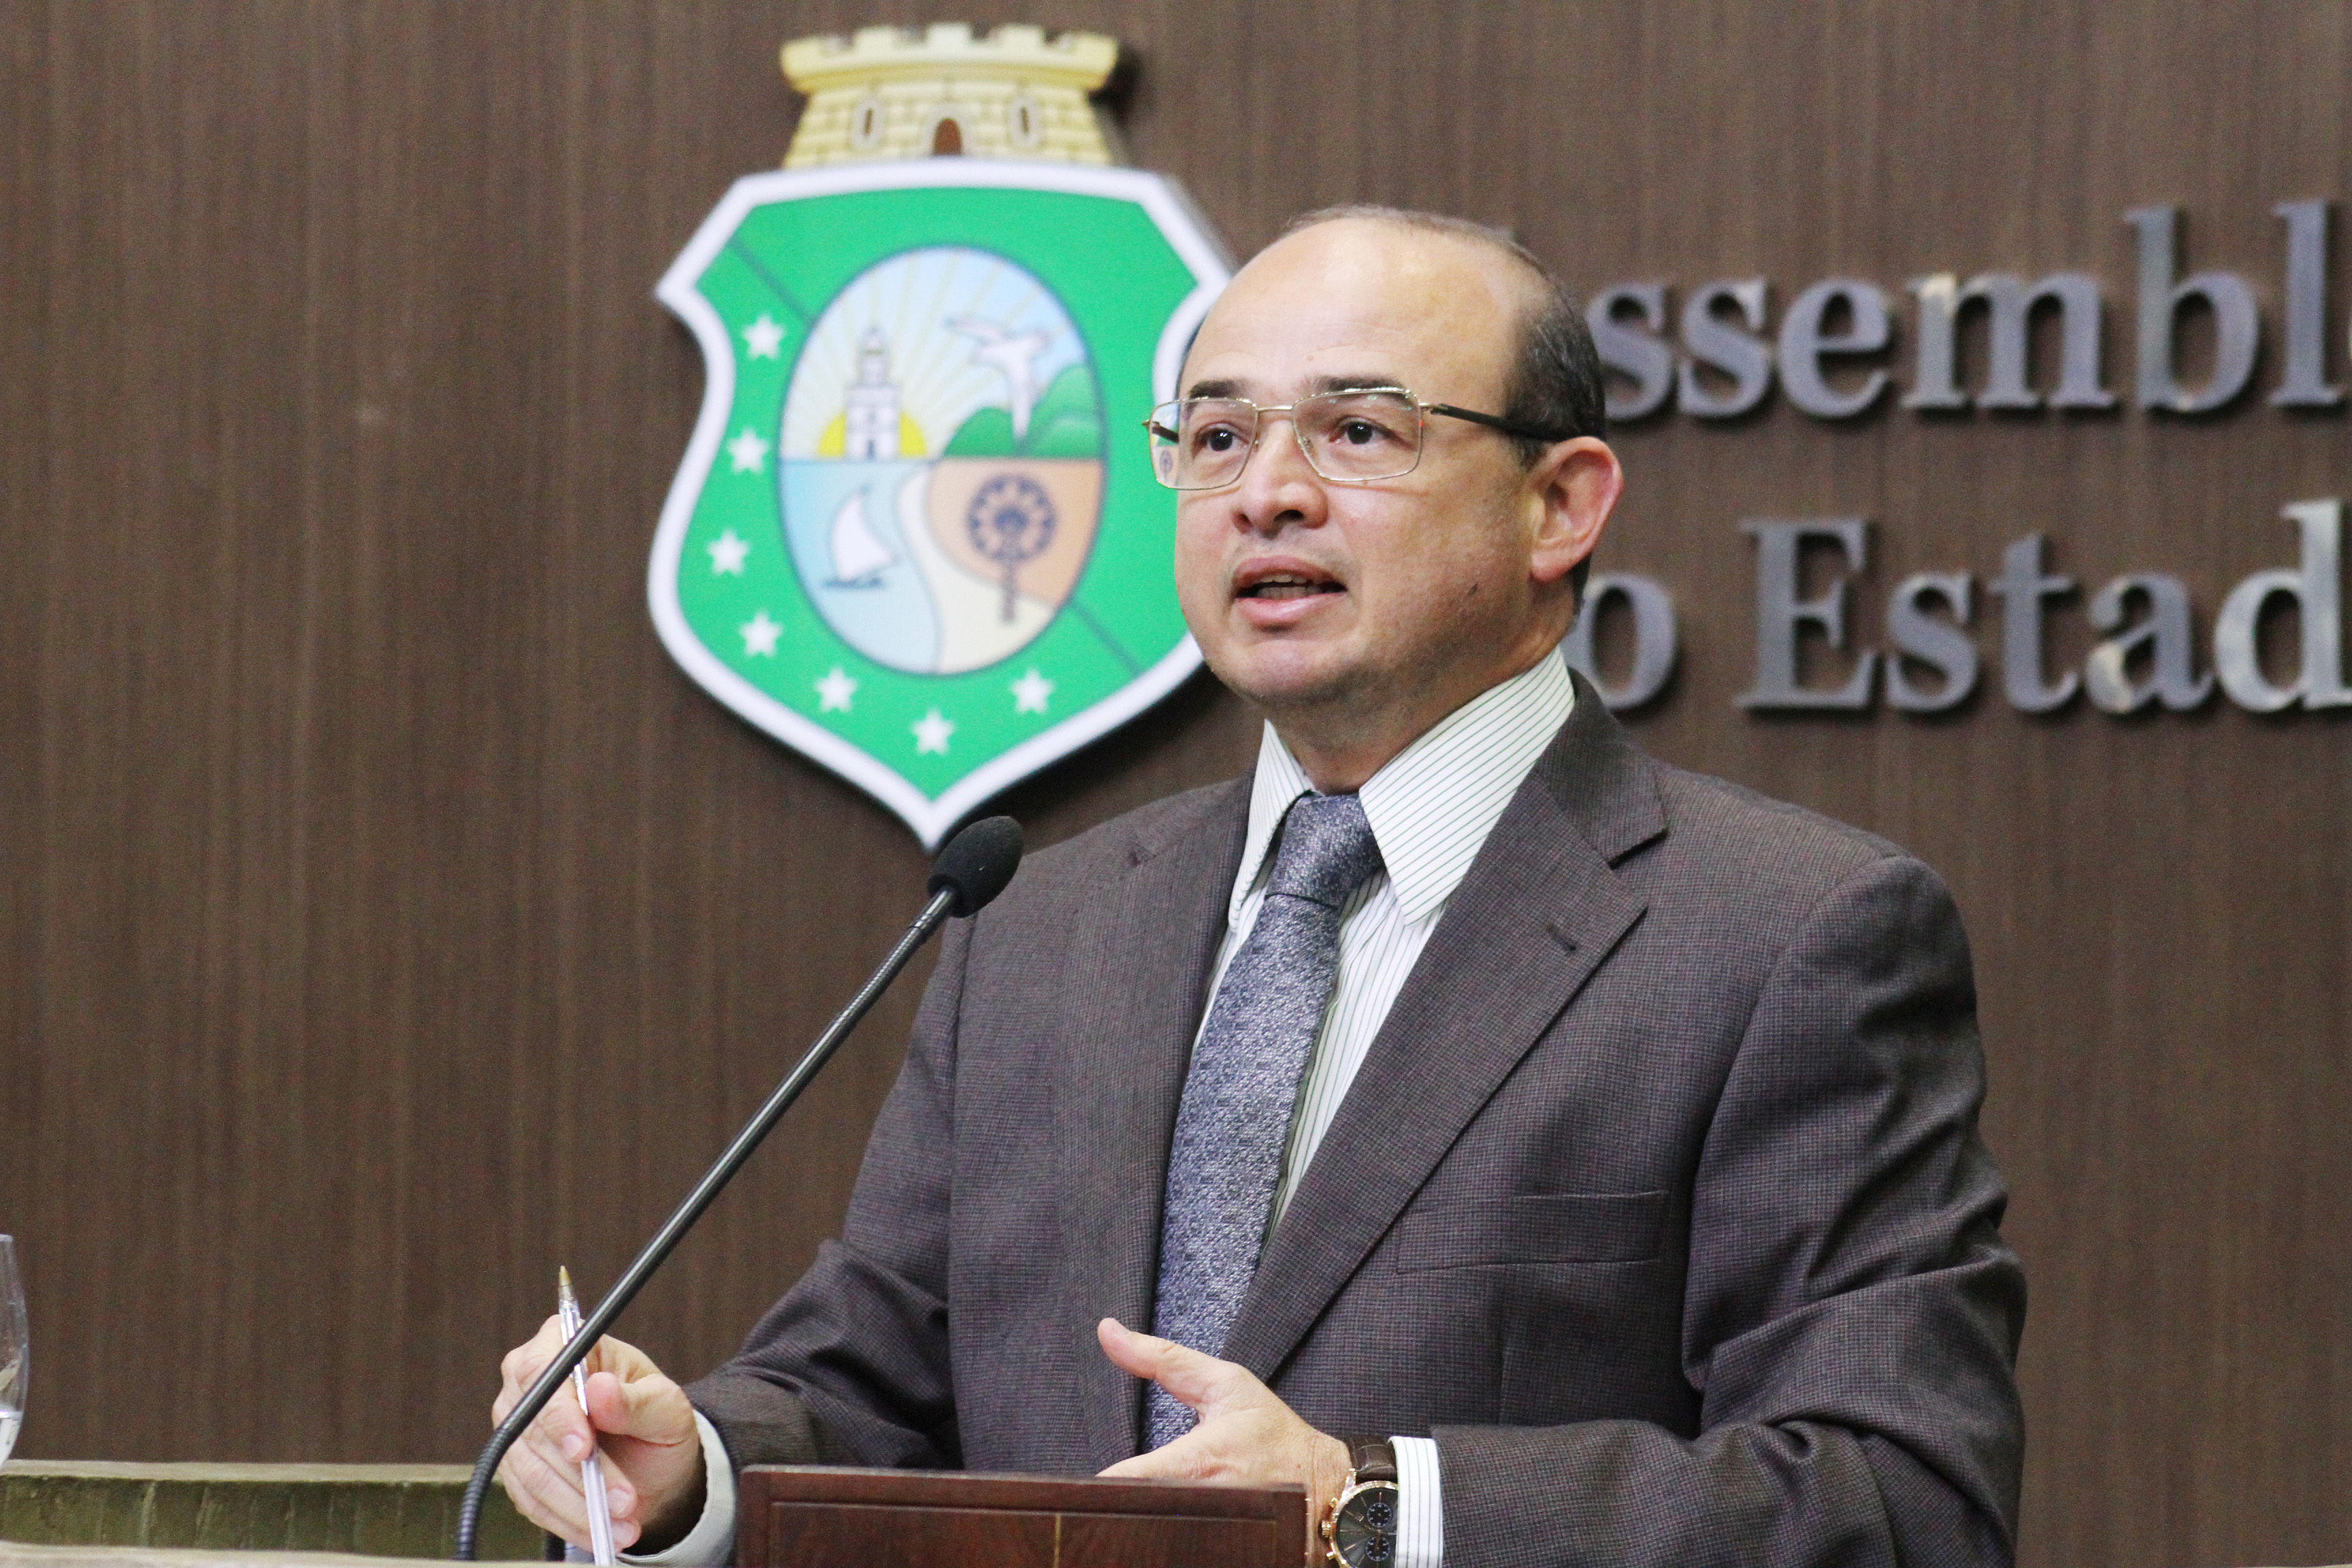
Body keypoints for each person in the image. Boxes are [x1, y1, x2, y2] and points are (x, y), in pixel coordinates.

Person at [493, 207, 2025, 1568]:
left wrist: (1373, 1505)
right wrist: (685, 1474)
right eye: (1217, 438)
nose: (1266, 494)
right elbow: (873, 1386)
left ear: (1561, 504)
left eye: (1357, 432)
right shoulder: (1038, 928)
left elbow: (1898, 1498)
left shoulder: (1785, 937)